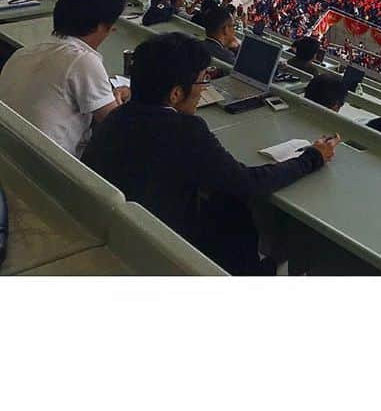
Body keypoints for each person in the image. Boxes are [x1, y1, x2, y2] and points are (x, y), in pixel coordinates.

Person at [82, 32, 337, 274]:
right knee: (235, 206)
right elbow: (247, 183)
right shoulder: (183, 131)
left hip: (115, 230)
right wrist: (312, 157)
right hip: (155, 251)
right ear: (175, 93)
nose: (205, 87)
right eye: (203, 80)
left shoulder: (117, 116)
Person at [0, 0, 128, 156]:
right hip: (45, 172)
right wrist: (117, 98)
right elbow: (117, 127)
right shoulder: (82, 61)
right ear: (102, 26)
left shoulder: (22, 54)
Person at [201, 2, 240, 66]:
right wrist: (237, 49)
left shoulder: (195, 45)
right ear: (226, 29)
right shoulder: (227, 56)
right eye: (233, 26)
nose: (234, 31)